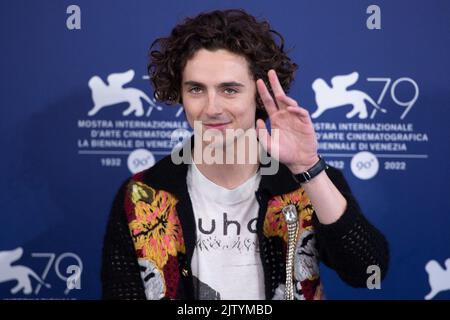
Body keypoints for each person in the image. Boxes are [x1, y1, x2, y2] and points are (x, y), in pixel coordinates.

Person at [101, 9, 389, 300]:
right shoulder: (142, 195)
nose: (211, 108)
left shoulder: (306, 182)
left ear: (258, 94)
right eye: (197, 89)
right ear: (181, 94)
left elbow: (368, 271)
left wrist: (308, 169)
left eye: (229, 90)